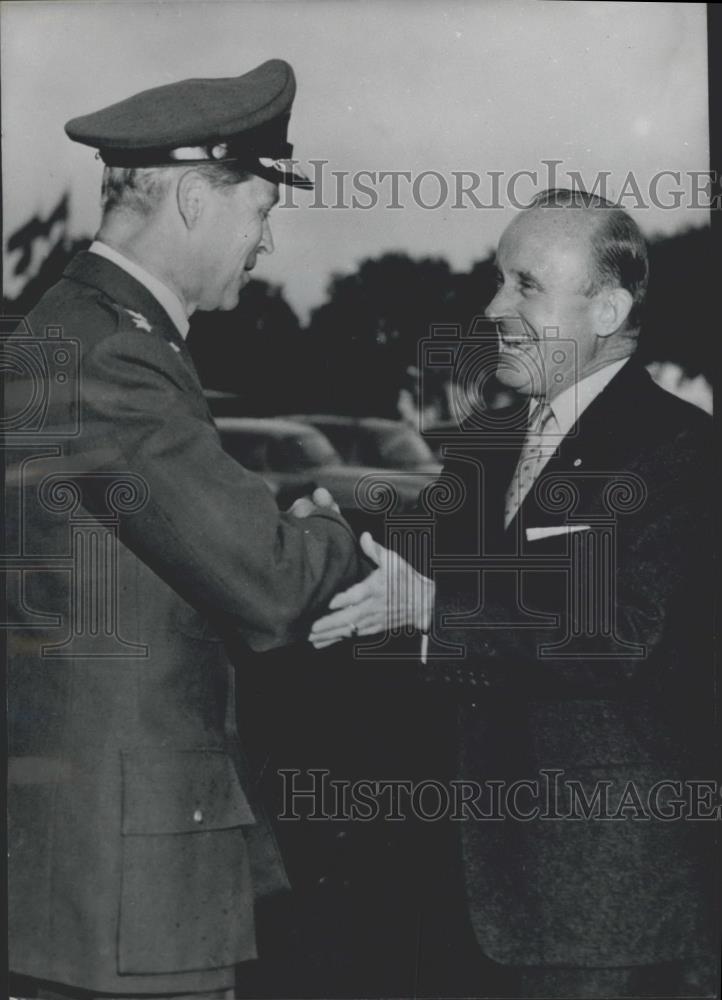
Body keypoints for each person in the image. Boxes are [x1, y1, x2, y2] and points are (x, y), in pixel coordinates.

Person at [6, 59, 365, 999]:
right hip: (125, 889)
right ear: (196, 200)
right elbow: (271, 579)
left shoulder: (82, 329)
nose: (268, 242)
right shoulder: (114, 354)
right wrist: (340, 521)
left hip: (86, 874)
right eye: (261, 210)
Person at [311, 189, 717, 998]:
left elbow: (622, 636)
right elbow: (408, 552)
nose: (495, 305)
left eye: (525, 284)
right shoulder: (490, 443)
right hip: (470, 885)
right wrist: (318, 532)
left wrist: (430, 612)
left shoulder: (681, 451)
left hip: (599, 907)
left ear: (607, 308)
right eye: (500, 280)